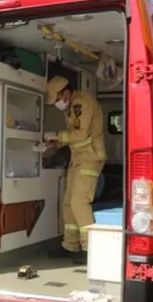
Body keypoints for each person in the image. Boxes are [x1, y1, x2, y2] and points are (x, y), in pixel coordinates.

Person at [44, 76, 107, 264]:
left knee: (79, 201)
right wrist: (55, 143)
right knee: (68, 203)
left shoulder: (83, 102)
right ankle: (70, 245)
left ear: (66, 91)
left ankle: (89, 248)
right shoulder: (73, 106)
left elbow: (81, 133)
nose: (57, 103)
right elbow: (74, 137)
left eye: (57, 99)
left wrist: (58, 135)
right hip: (78, 159)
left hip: (90, 158)